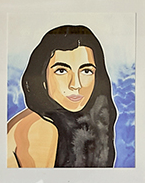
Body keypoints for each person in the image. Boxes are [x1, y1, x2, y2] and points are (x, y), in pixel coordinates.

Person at [7, 25, 117, 167]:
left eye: (86, 71)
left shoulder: (86, 121)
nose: (76, 84)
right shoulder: (41, 127)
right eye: (61, 70)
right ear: (42, 76)